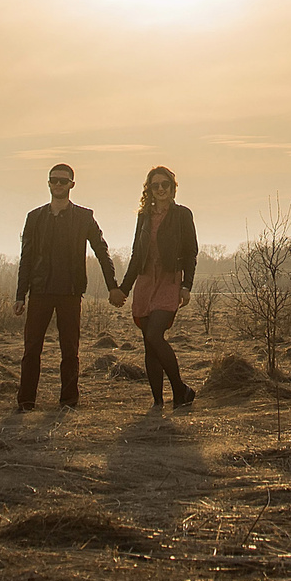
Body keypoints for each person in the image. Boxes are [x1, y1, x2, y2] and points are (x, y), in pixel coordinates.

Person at [13, 164, 118, 411]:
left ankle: (69, 401)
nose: (58, 184)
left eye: (63, 181)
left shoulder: (84, 217)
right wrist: (20, 295)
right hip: (40, 292)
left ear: (72, 184)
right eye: (54, 180)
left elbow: (101, 251)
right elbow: (26, 257)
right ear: (48, 183)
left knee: (70, 350)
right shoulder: (34, 218)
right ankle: (26, 402)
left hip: (70, 293)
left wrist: (113, 287)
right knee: (31, 350)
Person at [120, 164, 198, 409]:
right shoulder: (143, 217)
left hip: (169, 280)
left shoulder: (182, 215)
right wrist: (124, 289)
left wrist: (186, 286)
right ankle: (157, 402)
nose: (161, 189)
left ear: (173, 188)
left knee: (155, 335)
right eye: (156, 185)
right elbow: (136, 254)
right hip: (145, 282)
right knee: (149, 343)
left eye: (165, 184)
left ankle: (180, 390)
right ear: (149, 189)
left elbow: (190, 253)